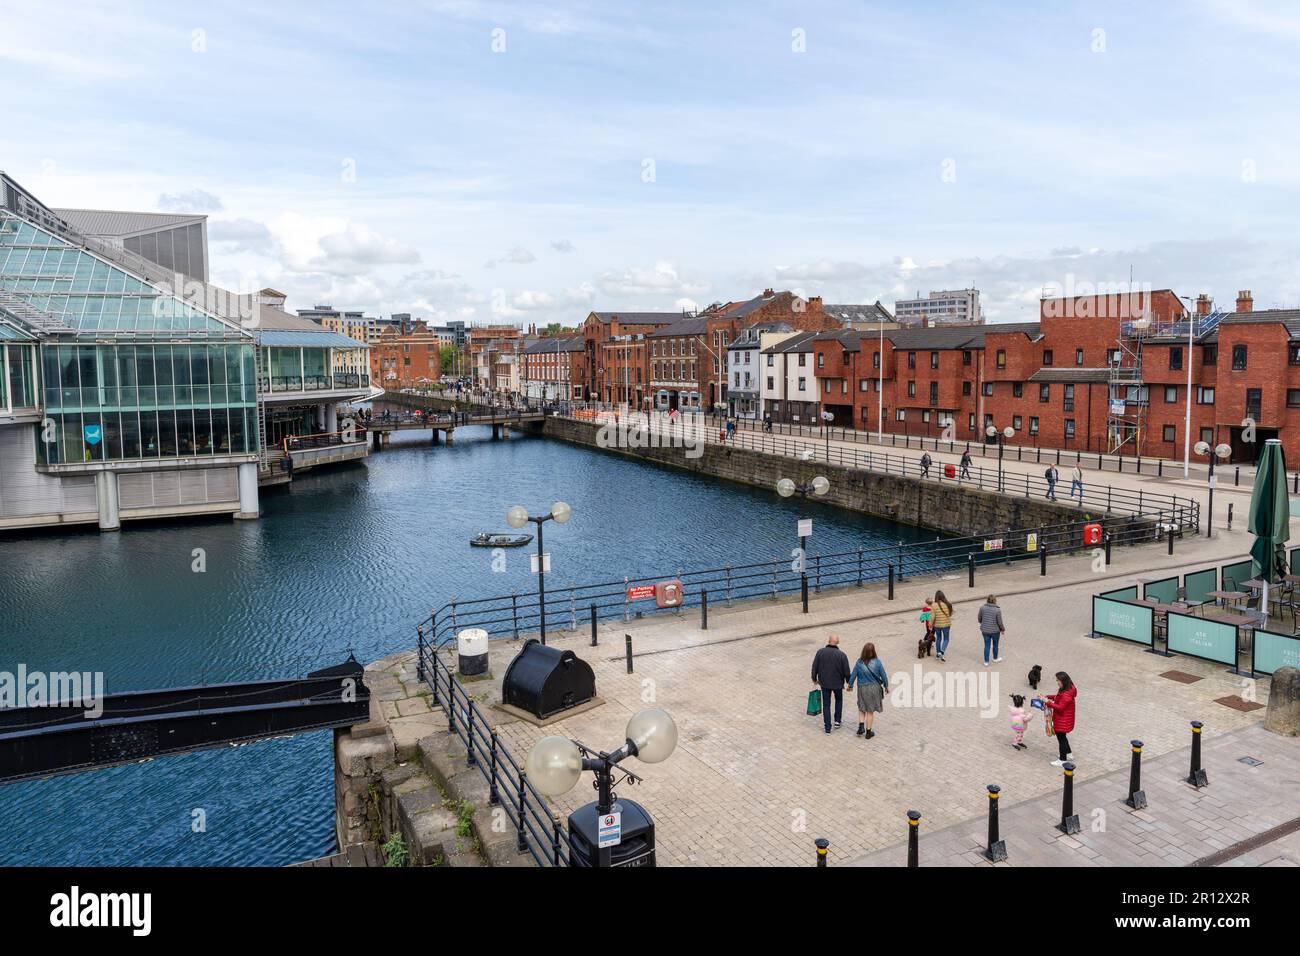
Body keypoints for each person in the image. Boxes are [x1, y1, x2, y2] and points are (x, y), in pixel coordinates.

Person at [810, 634, 851, 734]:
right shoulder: (842, 655)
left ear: (828, 641)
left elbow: (814, 667)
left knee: (826, 704)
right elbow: (846, 671)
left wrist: (814, 679)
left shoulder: (820, 652)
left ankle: (827, 727)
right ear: (838, 642)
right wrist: (849, 683)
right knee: (839, 700)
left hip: (824, 683)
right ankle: (837, 721)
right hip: (838, 684)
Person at [848, 642, 890, 739]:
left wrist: (850, 685)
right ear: (873, 651)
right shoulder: (877, 662)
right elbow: (883, 675)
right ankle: (868, 732)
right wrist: (886, 686)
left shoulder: (859, 663)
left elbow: (853, 675)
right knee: (870, 711)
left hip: (862, 688)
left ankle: (861, 726)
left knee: (862, 707)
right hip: (874, 688)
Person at [1043, 672, 1077, 766]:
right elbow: (1058, 698)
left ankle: (1062, 759)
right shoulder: (1068, 689)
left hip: (1062, 721)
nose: (1057, 682)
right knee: (1063, 738)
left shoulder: (1066, 695)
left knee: (1061, 739)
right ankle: (1069, 754)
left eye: (1058, 680)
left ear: (1063, 681)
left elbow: (1060, 708)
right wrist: (1048, 697)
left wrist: (1048, 702)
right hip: (1064, 720)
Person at [977, 595, 1005, 666]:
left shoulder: (982, 608)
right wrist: (1002, 629)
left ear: (987, 600)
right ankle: (995, 658)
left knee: (987, 645)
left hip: (985, 630)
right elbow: (1000, 622)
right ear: (995, 600)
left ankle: (986, 662)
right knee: (995, 644)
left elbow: (979, 618)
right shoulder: (997, 610)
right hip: (995, 631)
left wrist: (982, 622)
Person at [931, 590, 954, 661]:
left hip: (937, 625)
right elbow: (950, 614)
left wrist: (931, 624)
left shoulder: (934, 605)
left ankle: (938, 654)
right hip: (946, 625)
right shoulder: (948, 604)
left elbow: (932, 617)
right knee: (946, 639)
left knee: (938, 638)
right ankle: (942, 651)